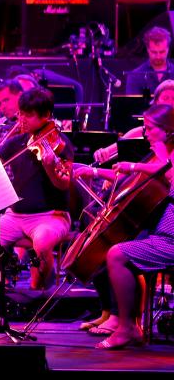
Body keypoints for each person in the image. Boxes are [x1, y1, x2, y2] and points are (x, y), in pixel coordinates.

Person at [73, 104, 174, 349]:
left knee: (117, 254)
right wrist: (97, 172)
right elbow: (139, 180)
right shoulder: (163, 156)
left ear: (168, 131)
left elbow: (167, 175)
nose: (145, 134)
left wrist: (136, 165)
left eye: (150, 129)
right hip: (163, 233)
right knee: (118, 248)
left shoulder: (166, 158)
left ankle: (127, 327)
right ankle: (130, 324)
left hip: (171, 239)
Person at [0, 88, 73, 290]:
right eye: (21, 113)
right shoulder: (17, 142)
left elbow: (64, 183)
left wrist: (50, 168)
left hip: (51, 216)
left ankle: (40, 290)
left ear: (46, 116)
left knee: (41, 243)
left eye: (29, 115)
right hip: (15, 216)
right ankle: (4, 292)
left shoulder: (62, 144)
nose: (22, 119)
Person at [125, 27, 174, 95]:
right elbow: (133, 104)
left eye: (162, 52)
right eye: (154, 52)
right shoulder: (135, 76)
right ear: (147, 50)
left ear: (168, 49)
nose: (158, 56)